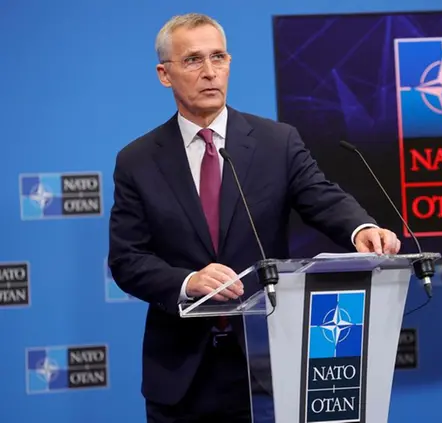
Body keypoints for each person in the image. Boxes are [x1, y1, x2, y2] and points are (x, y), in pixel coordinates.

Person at [107, 12, 401, 423]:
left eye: (219, 57)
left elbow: (322, 197)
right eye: (193, 60)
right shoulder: (137, 161)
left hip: (269, 364)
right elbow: (127, 259)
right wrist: (188, 282)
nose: (210, 72)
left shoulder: (276, 142)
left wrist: (362, 228)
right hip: (181, 377)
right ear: (164, 74)